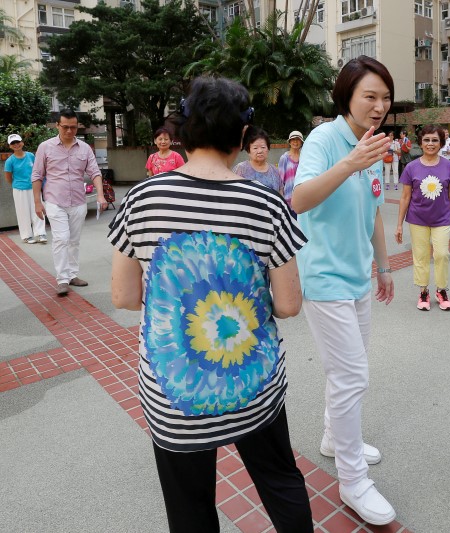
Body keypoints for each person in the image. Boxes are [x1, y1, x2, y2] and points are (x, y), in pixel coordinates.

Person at [107, 76, 312, 533]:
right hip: (254, 390)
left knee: (190, 508)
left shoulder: (141, 198)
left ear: (184, 130)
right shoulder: (266, 203)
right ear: (242, 136)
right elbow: (290, 304)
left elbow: (122, 297)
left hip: (173, 399)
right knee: (280, 482)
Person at [290, 56, 397, 526]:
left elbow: (373, 208)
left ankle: (335, 439)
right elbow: (299, 197)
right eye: (369, 96)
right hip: (323, 277)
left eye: (385, 98)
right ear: (347, 97)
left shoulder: (370, 143)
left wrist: (385, 266)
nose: (379, 106)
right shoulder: (325, 138)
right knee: (353, 374)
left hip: (356, 277)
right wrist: (350, 162)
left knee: (344, 370)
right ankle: (352, 480)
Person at [31, 109, 107, 297]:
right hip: (54, 201)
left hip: (78, 202)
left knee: (74, 240)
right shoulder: (45, 147)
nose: (70, 131)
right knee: (61, 239)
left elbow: (95, 172)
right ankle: (62, 279)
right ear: (57, 125)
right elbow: (37, 175)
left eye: (73, 127)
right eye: (65, 127)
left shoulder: (84, 148)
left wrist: (100, 195)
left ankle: (72, 274)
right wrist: (37, 203)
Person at [395, 124, 450, 311]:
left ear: (441, 143)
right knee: (421, 256)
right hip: (417, 219)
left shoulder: (449, 167)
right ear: (421, 142)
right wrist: (399, 224)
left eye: (435, 140)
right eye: (427, 140)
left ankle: (441, 290)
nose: (431, 143)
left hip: (442, 218)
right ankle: (423, 291)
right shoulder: (411, 167)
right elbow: (405, 197)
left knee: (442, 254)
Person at [4, 134, 47, 244]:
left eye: (17, 142)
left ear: (22, 142)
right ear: (10, 146)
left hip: (34, 188)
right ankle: (27, 236)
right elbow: (8, 178)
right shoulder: (10, 161)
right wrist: (18, 185)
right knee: (23, 213)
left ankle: (40, 233)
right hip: (19, 190)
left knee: (37, 209)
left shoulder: (30, 156)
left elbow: (37, 171)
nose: (16, 144)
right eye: (13, 143)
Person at [234, 126, 283, 193]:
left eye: (263, 147)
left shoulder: (275, 171)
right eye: (255, 148)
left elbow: (280, 193)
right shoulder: (241, 169)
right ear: (248, 151)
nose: (260, 151)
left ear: (268, 149)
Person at [278, 130, 304, 212]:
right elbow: (280, 180)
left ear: (301, 142)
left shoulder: (304, 156)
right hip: (288, 199)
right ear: (289, 142)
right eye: (293, 139)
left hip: (303, 197)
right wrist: (281, 198)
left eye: (298, 139)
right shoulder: (284, 158)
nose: (295, 142)